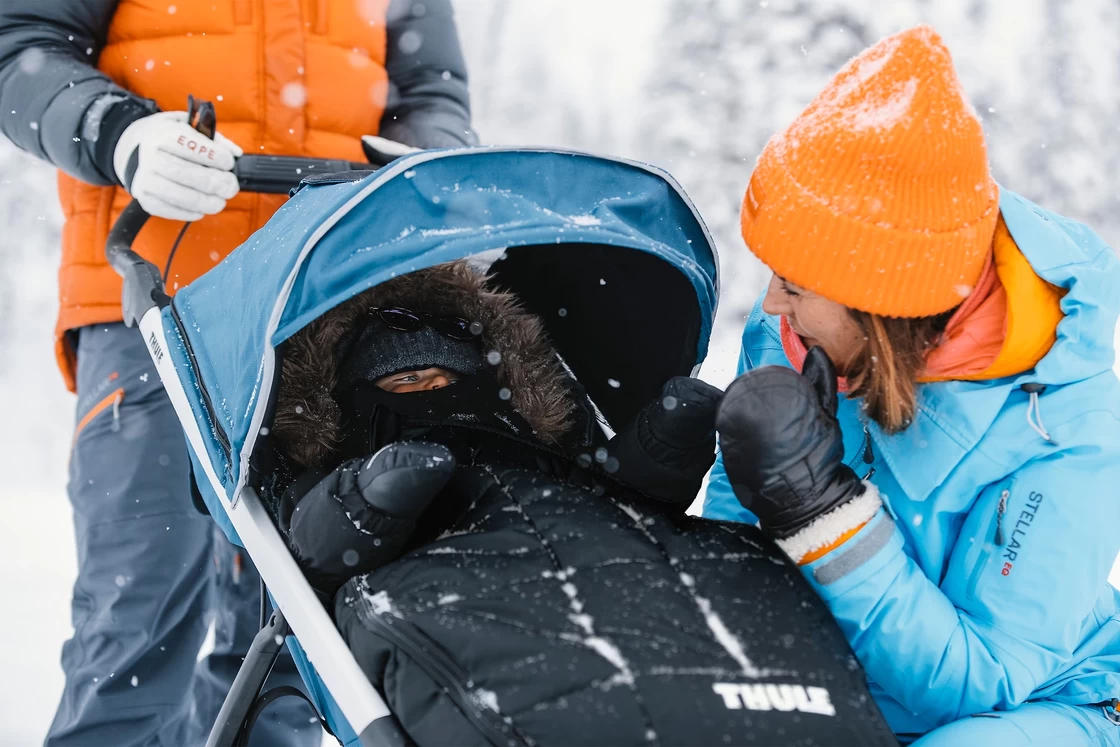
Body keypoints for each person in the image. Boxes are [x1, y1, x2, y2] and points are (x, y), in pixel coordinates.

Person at [0, 1, 476, 744]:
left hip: (320, 315)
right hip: (155, 307)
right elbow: (18, 44)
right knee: (136, 628)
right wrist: (120, 133)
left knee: (289, 640)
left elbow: (432, 90)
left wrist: (417, 160)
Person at [257, 259, 898, 746]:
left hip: (611, 555)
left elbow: (616, 501)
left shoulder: (538, 445)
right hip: (457, 570)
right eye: (407, 383)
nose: (431, 390)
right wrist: (371, 501)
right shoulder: (346, 464)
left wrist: (664, 443)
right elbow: (316, 544)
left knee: (727, 568)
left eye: (449, 377)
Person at [704, 25, 1120, 747]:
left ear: (878, 301)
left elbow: (978, 680)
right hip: (841, 684)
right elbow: (730, 570)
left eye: (795, 284)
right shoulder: (793, 340)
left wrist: (825, 519)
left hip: (1044, 706)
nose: (770, 304)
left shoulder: (1068, 425)